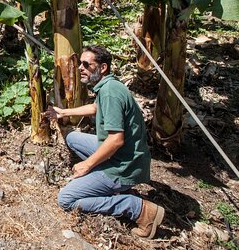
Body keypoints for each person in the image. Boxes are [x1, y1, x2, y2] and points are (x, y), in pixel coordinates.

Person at [44, 45, 165, 239]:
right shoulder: (109, 86)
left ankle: (138, 208)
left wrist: (87, 165)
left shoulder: (110, 93)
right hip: (124, 155)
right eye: (79, 64)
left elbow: (116, 140)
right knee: (73, 138)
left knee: (66, 199)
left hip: (123, 165)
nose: (80, 68)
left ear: (103, 68)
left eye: (86, 64)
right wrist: (63, 112)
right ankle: (101, 179)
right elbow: (96, 107)